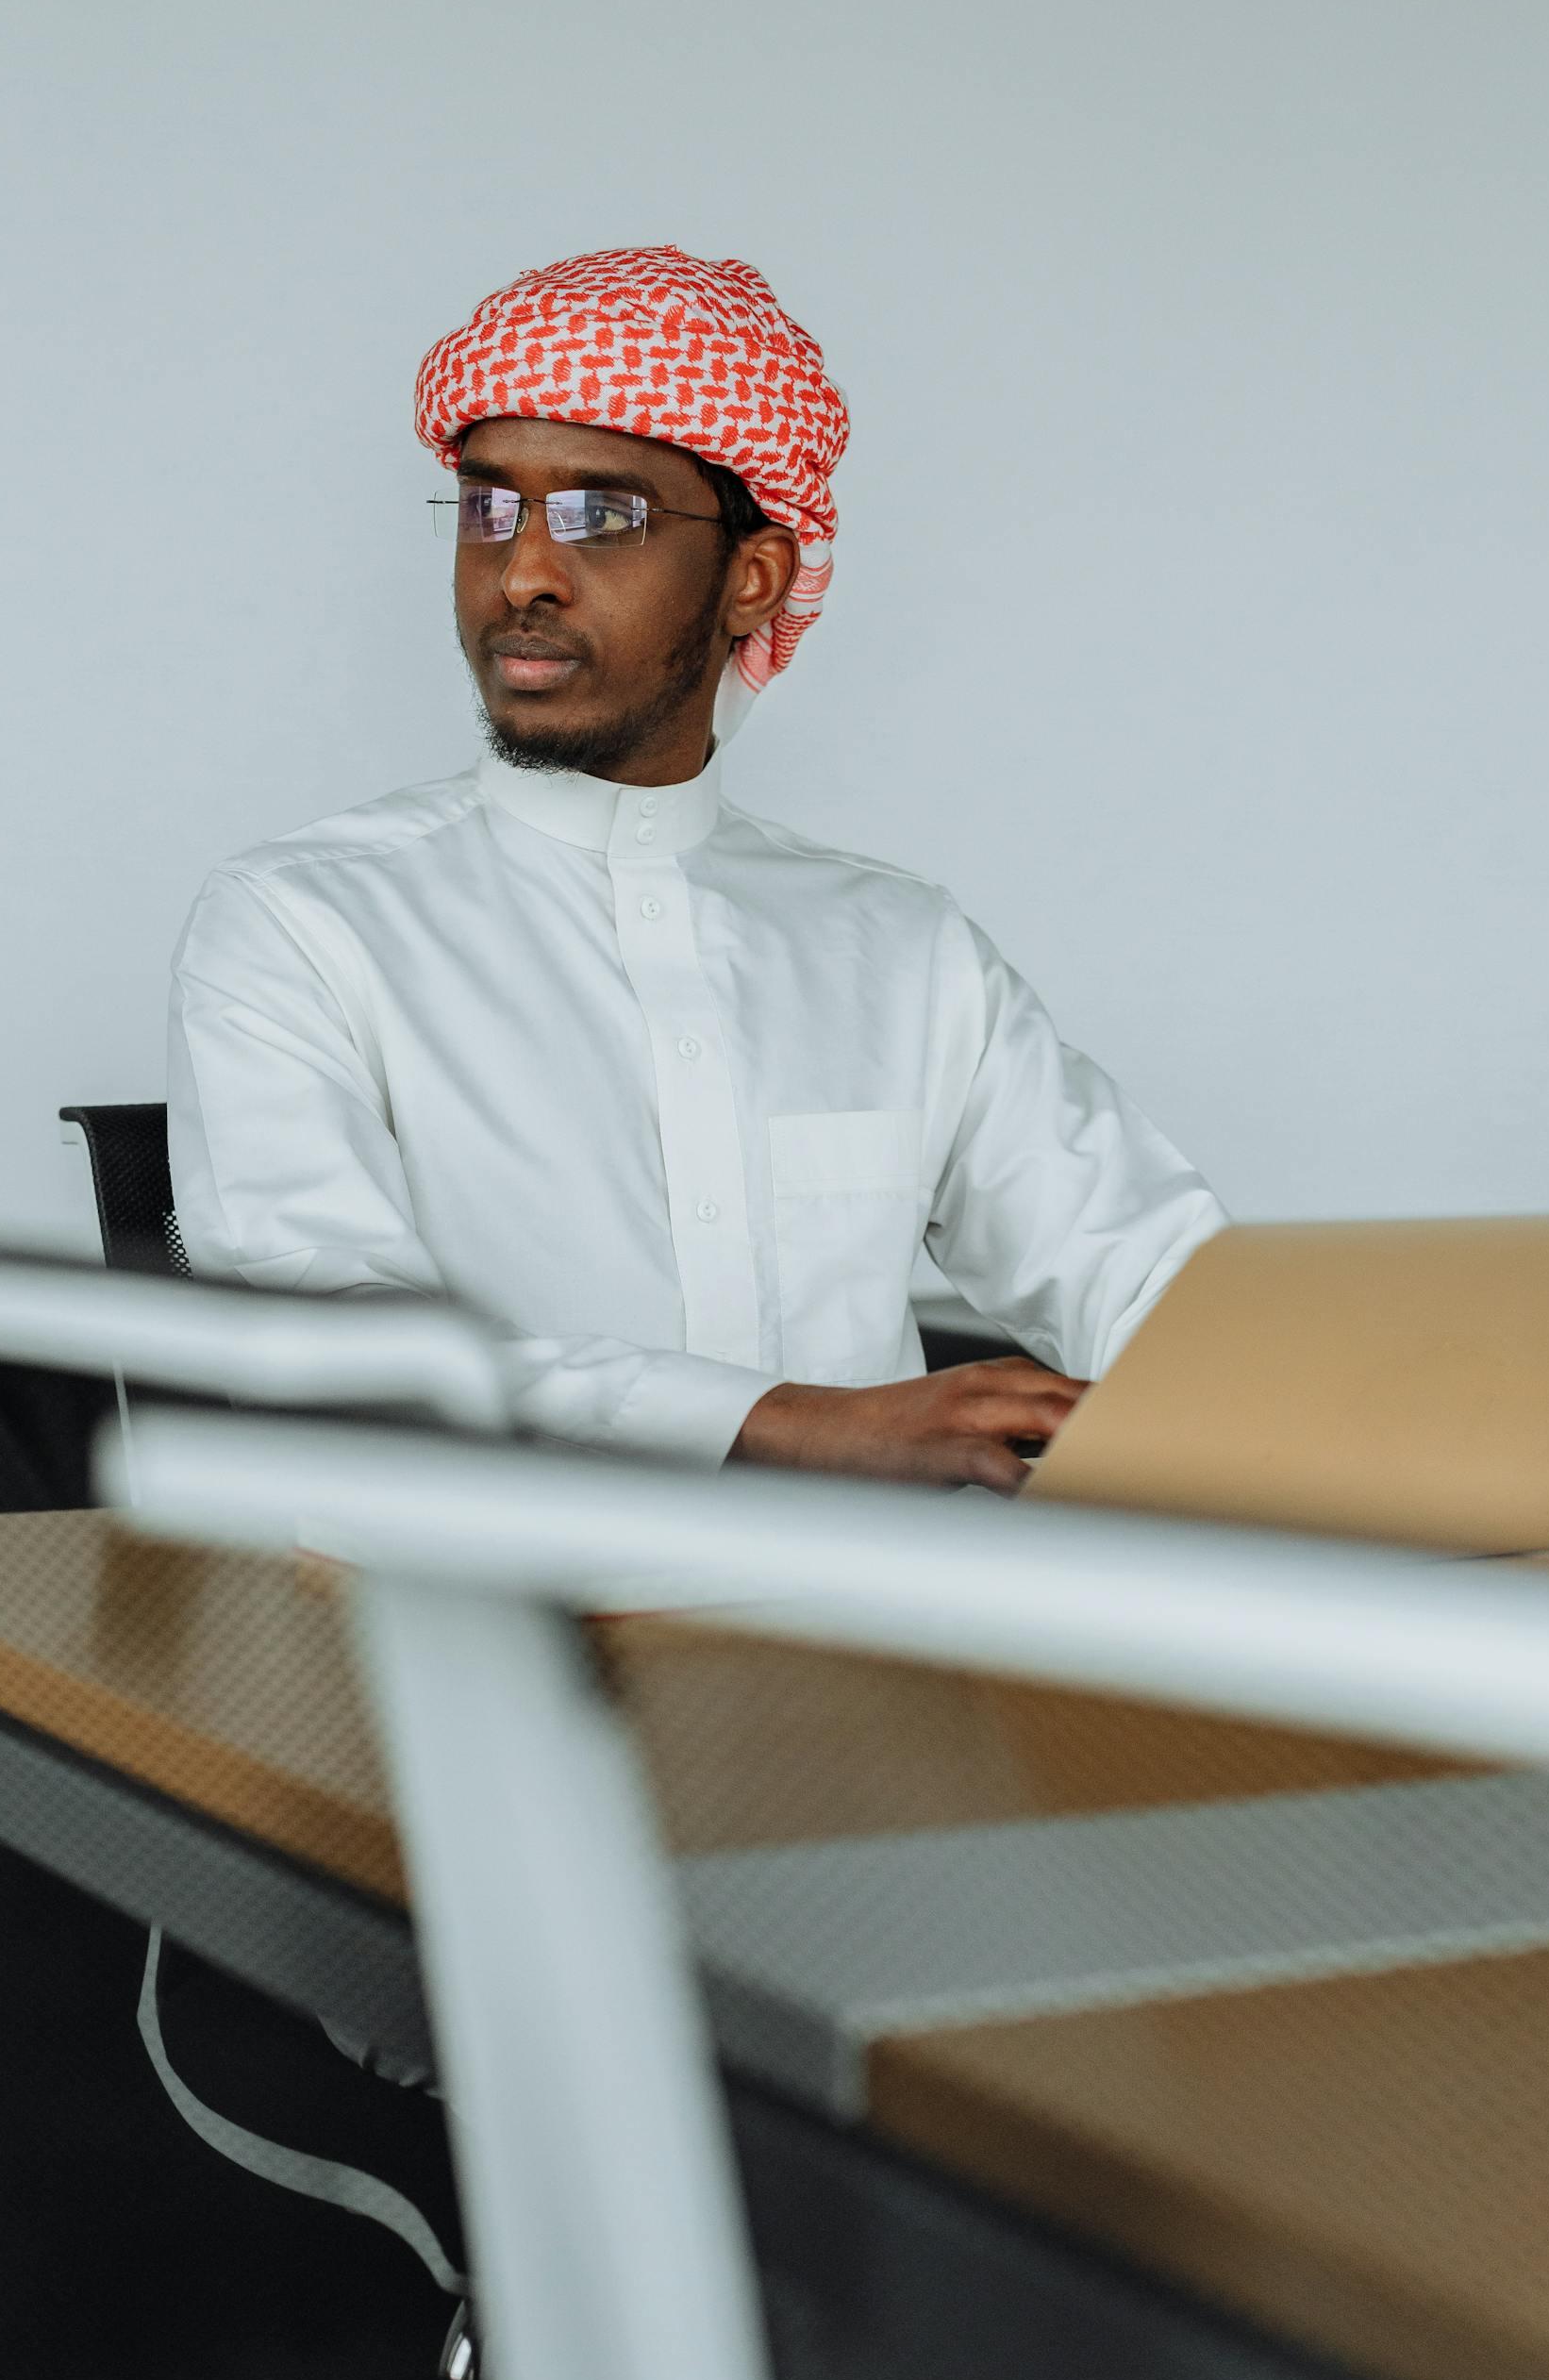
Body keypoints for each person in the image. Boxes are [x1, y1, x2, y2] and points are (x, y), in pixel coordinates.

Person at [168, 244, 1224, 1491]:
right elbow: (340, 1354)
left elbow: (1150, 1281)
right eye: (489, 508)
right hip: (486, 1635)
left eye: (601, 517)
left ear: (753, 577)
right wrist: (798, 1423)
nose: (523, 575)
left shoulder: (896, 946)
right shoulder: (301, 925)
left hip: (883, 1631)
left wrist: (1334, 1419)